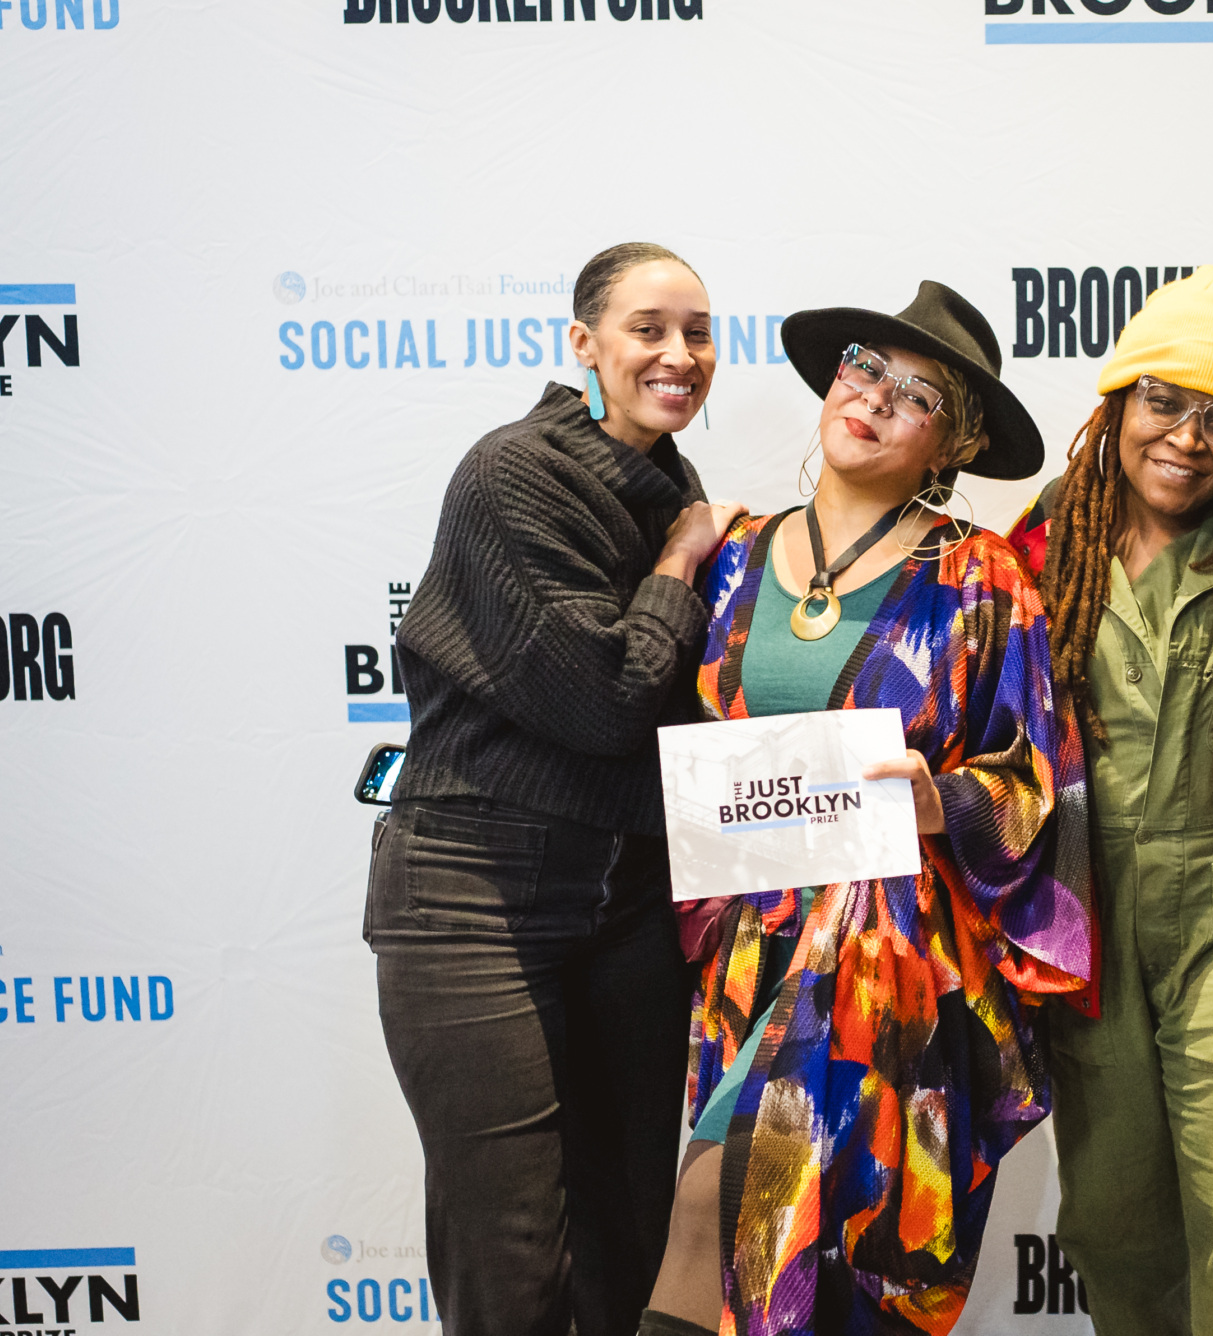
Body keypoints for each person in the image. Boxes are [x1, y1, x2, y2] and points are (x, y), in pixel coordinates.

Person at [636, 281, 1094, 1336]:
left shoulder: (979, 579)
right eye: (863, 367)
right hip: (743, 949)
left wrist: (948, 800)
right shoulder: (734, 552)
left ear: (950, 447)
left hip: (891, 963)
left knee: (750, 1220)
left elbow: (1040, 782)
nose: (875, 398)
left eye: (916, 395)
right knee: (752, 1243)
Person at [366, 242, 746, 1336]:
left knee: (627, 1237)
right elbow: (605, 704)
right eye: (648, 329)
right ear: (584, 345)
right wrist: (679, 564)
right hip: (472, 897)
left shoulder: (669, 483)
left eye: (699, 331)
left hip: (621, 897)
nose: (679, 354)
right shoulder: (515, 475)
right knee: (512, 1255)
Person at [1006, 266, 1213, 1336]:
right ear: (1117, 401)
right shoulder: (1036, 554)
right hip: (1087, 923)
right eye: (1163, 402)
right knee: (1114, 1221)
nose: (1186, 438)